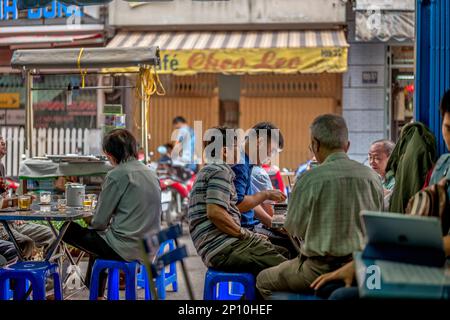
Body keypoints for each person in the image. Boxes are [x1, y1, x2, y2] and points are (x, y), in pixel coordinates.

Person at [311, 90, 450, 300]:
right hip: (417, 260)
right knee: (328, 288)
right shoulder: (443, 165)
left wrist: (371, 261)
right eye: (448, 128)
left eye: (378, 157)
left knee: (340, 296)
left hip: (433, 269)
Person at [256, 114, 384, 299]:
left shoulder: (308, 179)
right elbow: (377, 226)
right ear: (347, 145)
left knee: (263, 280)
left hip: (318, 268)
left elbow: (293, 228)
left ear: (315, 145)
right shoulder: (372, 178)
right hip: (362, 267)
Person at [62, 129, 161, 298]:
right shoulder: (151, 172)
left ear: (109, 153)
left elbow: (99, 222)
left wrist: (88, 217)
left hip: (127, 248)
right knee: (99, 240)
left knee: (67, 229)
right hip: (151, 246)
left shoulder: (117, 175)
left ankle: (65, 286)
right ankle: (97, 293)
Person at [188, 126, 287, 277]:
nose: (239, 151)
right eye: (236, 147)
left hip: (217, 244)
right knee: (287, 267)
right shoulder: (220, 170)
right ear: (226, 151)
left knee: (282, 252)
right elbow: (215, 213)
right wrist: (245, 235)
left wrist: (247, 234)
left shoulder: (214, 169)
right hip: (221, 247)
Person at [0, 136, 55, 259]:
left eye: (3, 139)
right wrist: (17, 201)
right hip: (1, 226)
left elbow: (3, 197)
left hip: (11, 221)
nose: (3, 142)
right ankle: (19, 277)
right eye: (0, 140)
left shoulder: (1, 167)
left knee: (51, 234)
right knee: (26, 243)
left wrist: (14, 214)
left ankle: (47, 276)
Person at [231, 122, 286, 230]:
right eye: (272, 151)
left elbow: (250, 202)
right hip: (241, 229)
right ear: (259, 142)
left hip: (247, 226)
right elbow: (238, 206)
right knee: (287, 245)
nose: (271, 157)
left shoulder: (247, 163)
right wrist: (266, 194)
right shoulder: (239, 163)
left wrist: (272, 223)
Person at [368, 139, 396, 210]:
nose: (371, 162)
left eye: (377, 158)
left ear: (390, 158)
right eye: (370, 157)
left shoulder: (396, 180)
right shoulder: (377, 177)